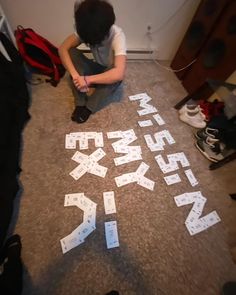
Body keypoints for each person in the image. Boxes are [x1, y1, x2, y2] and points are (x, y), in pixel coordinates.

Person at [59, 0, 127, 123]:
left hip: (108, 71)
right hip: (95, 69)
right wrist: (75, 76)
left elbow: (119, 73)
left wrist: (87, 80)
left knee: (116, 75)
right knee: (71, 52)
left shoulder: (117, 35)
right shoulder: (86, 27)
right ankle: (80, 103)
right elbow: (63, 48)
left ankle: (88, 107)